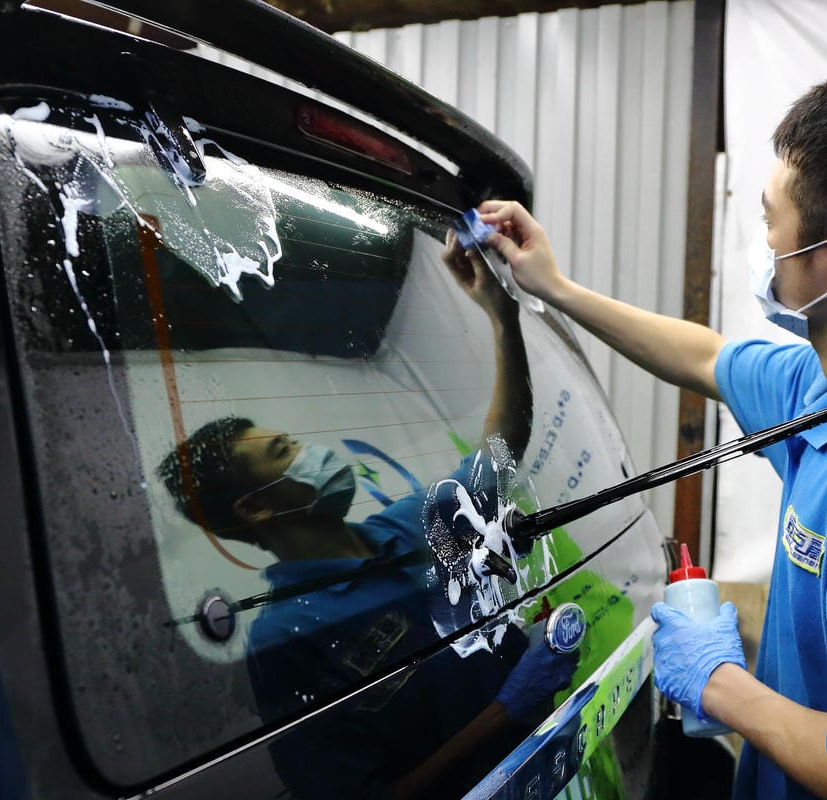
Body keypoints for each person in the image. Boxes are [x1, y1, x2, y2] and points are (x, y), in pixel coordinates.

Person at [477, 53, 827, 798]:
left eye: (771, 221)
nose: (765, 244)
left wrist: (718, 682)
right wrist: (555, 288)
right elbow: (705, 357)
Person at [155, 230, 575, 799]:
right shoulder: (287, 637)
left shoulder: (412, 523)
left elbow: (500, 452)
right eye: (285, 454)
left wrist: (503, 319)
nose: (311, 454)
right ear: (254, 507)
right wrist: (505, 710)